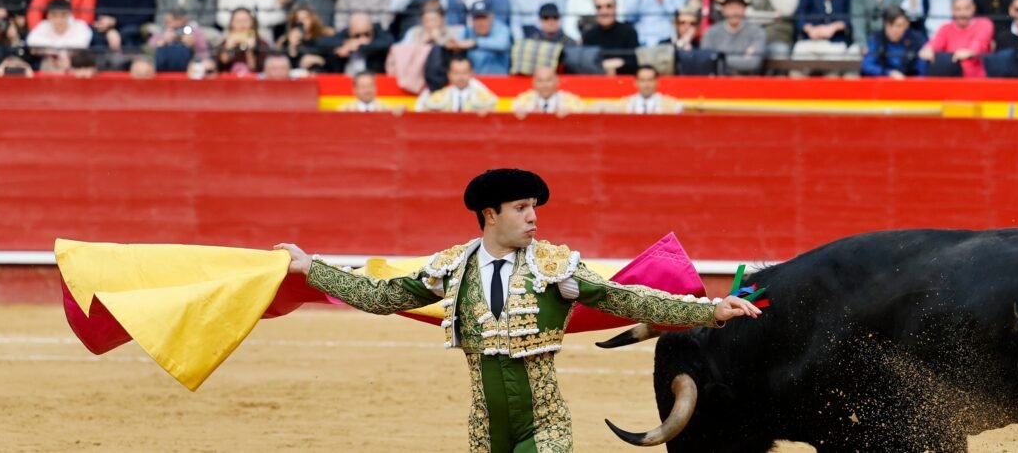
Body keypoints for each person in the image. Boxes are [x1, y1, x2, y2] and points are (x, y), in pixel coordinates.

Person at [275, 168, 758, 452]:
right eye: (522, 207)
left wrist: (709, 310)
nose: (534, 216)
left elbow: (627, 298)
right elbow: (382, 296)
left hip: (544, 424)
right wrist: (311, 267)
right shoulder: (454, 267)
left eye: (535, 207)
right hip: (485, 427)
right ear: (491, 214)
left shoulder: (555, 267)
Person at [917, 0, 992, 76]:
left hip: (977, 81)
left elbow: (979, 44)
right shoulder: (945, 28)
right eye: (958, 9)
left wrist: (970, 52)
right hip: (951, 78)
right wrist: (928, 49)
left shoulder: (984, 24)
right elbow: (936, 42)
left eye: (967, 8)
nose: (963, 13)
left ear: (973, 8)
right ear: (952, 11)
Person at [700, 0, 766, 74]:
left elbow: (753, 63)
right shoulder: (711, 32)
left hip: (748, 82)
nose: (735, 12)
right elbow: (706, 61)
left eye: (738, 7)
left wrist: (720, 58)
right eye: (730, 7)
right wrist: (743, 58)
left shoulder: (756, 32)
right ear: (723, 10)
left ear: (744, 10)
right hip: (718, 82)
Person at [581, 0, 639, 74]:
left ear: (615, 8)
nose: (604, 11)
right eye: (599, 7)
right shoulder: (589, 35)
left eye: (609, 6)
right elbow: (586, 65)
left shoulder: (629, 32)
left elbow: (633, 63)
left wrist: (602, 65)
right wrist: (616, 63)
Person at [26, 0, 91, 71]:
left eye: (63, 15)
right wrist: (57, 53)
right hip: (49, 64)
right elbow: (31, 42)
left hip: (74, 66)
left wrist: (58, 51)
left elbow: (82, 44)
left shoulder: (80, 26)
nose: (59, 20)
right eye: (54, 15)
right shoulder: (43, 25)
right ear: (48, 15)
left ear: (70, 14)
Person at [318, 10, 394, 73]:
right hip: (347, 79)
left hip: (372, 80)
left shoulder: (378, 31)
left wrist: (359, 46)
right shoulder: (346, 34)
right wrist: (346, 44)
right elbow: (322, 42)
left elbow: (388, 43)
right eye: (357, 35)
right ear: (350, 31)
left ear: (371, 29)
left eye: (366, 34)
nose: (362, 39)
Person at [861, 5, 926, 77]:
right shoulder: (877, 39)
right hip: (884, 84)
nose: (895, 30)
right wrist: (889, 73)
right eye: (891, 26)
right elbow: (867, 65)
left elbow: (922, 69)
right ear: (885, 26)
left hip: (909, 83)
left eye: (899, 25)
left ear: (906, 25)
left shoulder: (916, 39)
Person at [415, 56, 499, 111]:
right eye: (456, 73)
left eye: (464, 72)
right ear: (449, 74)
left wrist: (488, 113)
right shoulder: (438, 96)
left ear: (472, 74)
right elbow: (422, 114)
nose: (460, 77)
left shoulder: (484, 97)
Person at [451, 0, 511, 75]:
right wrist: (454, 45)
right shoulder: (467, 31)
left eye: (484, 18)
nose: (480, 23)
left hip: (498, 81)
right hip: (474, 82)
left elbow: (502, 44)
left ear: (491, 17)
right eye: (477, 18)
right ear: (472, 20)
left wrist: (475, 43)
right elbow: (454, 43)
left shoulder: (500, 28)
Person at [215, 6, 270, 73]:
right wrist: (227, 48)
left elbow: (258, 70)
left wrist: (250, 51)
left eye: (245, 20)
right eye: (238, 21)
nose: (242, 24)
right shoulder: (224, 43)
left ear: (252, 22)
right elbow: (220, 67)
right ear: (231, 24)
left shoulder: (261, 44)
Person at [512, 66, 585, 115]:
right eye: (540, 81)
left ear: (556, 81)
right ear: (533, 83)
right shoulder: (522, 101)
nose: (544, 85)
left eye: (548, 80)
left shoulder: (571, 101)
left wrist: (571, 115)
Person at [612, 64, 684, 113]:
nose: (646, 85)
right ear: (636, 82)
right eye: (642, 80)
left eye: (650, 80)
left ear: (657, 82)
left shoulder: (672, 105)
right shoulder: (624, 104)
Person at [279, 3, 332, 69]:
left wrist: (318, 60)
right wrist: (291, 47)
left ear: (312, 19)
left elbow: (332, 62)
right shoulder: (287, 40)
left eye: (305, 18)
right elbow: (286, 65)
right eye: (298, 20)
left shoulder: (323, 36)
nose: (301, 23)